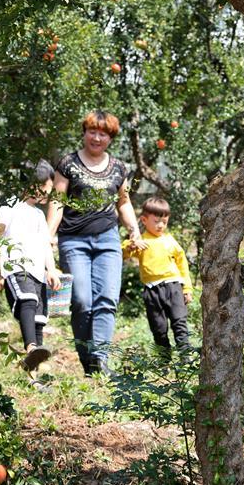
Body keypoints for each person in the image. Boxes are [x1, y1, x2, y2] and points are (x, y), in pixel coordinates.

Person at [47, 110, 146, 376]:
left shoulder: (118, 168)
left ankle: (101, 360)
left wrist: (134, 231)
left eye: (103, 133)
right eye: (93, 131)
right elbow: (57, 201)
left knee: (107, 299)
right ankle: (87, 360)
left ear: (110, 138)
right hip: (73, 240)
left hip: (108, 239)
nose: (97, 137)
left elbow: (123, 202)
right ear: (85, 132)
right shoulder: (68, 164)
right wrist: (48, 236)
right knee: (81, 301)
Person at [0, 160, 61, 372]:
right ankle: (30, 347)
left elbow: (45, 245)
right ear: (31, 184)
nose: (46, 195)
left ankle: (34, 370)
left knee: (39, 319)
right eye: (44, 189)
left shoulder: (39, 215)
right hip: (15, 267)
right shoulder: (9, 207)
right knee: (28, 300)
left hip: (38, 272)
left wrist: (51, 269)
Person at [123, 195, 193, 353]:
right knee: (159, 328)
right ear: (144, 220)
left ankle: (186, 359)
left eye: (165, 222)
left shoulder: (170, 240)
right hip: (152, 291)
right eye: (156, 221)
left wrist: (187, 289)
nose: (161, 225)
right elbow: (123, 254)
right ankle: (164, 362)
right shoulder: (142, 241)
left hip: (174, 287)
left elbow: (182, 264)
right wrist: (131, 245)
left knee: (179, 323)